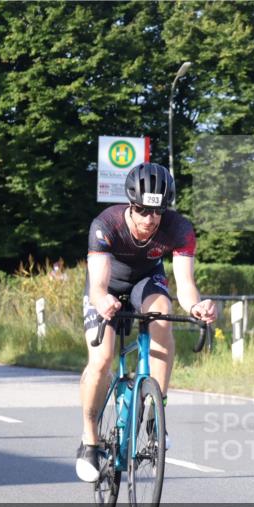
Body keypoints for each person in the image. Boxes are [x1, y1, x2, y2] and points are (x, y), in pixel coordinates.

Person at [76, 162, 217, 482]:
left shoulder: (179, 229)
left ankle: (155, 412)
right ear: (130, 204)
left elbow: (186, 285)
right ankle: (89, 440)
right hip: (108, 286)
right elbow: (98, 286)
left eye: (157, 212)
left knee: (162, 316)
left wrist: (197, 306)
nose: (150, 219)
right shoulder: (106, 224)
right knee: (102, 359)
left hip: (146, 282)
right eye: (142, 210)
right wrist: (103, 301)